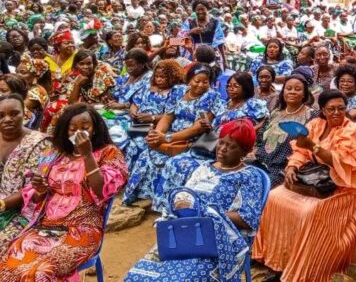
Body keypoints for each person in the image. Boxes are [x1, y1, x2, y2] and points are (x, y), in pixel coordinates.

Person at [124, 120, 267, 282]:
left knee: (183, 279)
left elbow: (248, 219)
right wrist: (179, 203)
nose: (222, 149)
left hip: (221, 242)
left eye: (231, 146)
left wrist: (206, 211)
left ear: (245, 151)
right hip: (184, 233)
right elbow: (185, 195)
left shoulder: (250, 176)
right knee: (137, 276)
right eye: (221, 142)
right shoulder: (204, 167)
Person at [0, 103, 127, 281]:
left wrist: (87, 155)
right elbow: (36, 197)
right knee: (7, 266)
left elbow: (102, 191)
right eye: (72, 128)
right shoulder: (55, 155)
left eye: (85, 127)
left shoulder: (108, 153)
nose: (78, 133)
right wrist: (41, 189)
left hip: (83, 230)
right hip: (45, 227)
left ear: (95, 129)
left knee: (40, 272)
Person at [253, 90, 356, 282]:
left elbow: (340, 162)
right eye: (331, 109)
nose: (337, 113)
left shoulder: (353, 129)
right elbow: (300, 152)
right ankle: (280, 262)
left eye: (341, 108)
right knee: (273, 198)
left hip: (342, 185)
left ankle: (306, 270)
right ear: (322, 109)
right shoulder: (315, 124)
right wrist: (291, 167)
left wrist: (313, 147)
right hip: (313, 179)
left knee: (308, 211)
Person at [122, 63, 221, 208]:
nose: (200, 85)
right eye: (196, 80)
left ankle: (165, 205)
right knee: (145, 154)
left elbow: (198, 127)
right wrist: (158, 134)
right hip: (170, 137)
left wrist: (167, 138)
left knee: (173, 163)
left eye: (205, 82)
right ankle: (145, 195)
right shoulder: (179, 91)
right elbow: (168, 117)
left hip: (192, 143)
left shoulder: (211, 96)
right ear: (189, 79)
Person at [0, 94, 50, 256]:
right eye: (1, 116)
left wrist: (2, 204)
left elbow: (33, 189)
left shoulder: (40, 143)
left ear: (25, 114)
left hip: (25, 212)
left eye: (14, 114)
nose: (7, 119)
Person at [254, 72, 317, 187]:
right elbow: (260, 139)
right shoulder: (275, 113)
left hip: (283, 169)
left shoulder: (313, 116)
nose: (292, 91)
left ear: (304, 94)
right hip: (259, 162)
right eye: (288, 88)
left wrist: (293, 166)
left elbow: (309, 147)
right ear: (283, 93)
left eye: (297, 89)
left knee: (257, 188)